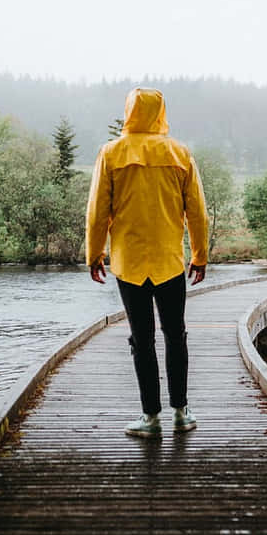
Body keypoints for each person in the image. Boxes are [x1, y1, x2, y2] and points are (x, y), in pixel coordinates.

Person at [85, 87, 209, 438]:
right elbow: (197, 212)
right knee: (175, 336)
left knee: (142, 339)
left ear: (129, 112)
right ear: (160, 113)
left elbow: (97, 212)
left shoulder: (110, 153)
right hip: (170, 261)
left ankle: (150, 419)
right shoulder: (179, 153)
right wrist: (200, 255)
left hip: (129, 262)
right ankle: (181, 413)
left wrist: (94, 255)